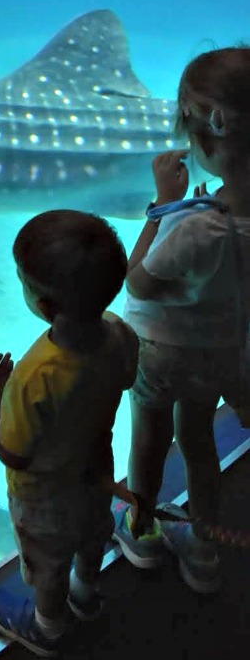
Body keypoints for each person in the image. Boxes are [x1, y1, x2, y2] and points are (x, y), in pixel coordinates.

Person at [113, 46, 250, 595]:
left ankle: (141, 530)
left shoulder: (197, 224)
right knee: (198, 442)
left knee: (149, 440)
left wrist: (163, 205)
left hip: (162, 353)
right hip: (218, 353)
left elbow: (138, 281)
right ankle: (204, 545)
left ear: (210, 133)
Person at [0, 210, 139, 657]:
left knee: (48, 566)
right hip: (95, 476)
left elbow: (14, 453)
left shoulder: (36, 375)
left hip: (44, 498)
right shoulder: (120, 333)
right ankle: (85, 595)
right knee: (92, 537)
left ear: (44, 304)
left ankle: (47, 628)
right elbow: (127, 378)